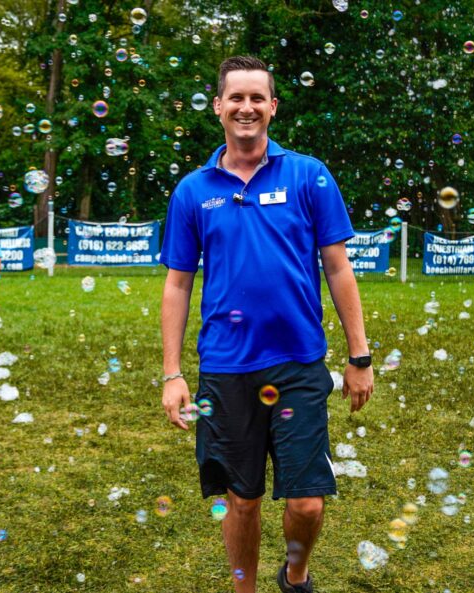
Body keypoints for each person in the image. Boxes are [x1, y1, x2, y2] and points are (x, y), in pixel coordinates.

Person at [159, 56, 373, 593]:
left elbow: (339, 268)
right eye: (236, 97)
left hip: (299, 362)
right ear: (218, 107)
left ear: (273, 107)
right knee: (242, 498)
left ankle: (295, 574)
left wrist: (359, 356)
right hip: (226, 368)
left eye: (258, 97)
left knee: (306, 500)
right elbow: (178, 284)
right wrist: (171, 372)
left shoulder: (309, 174)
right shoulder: (192, 190)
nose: (246, 107)